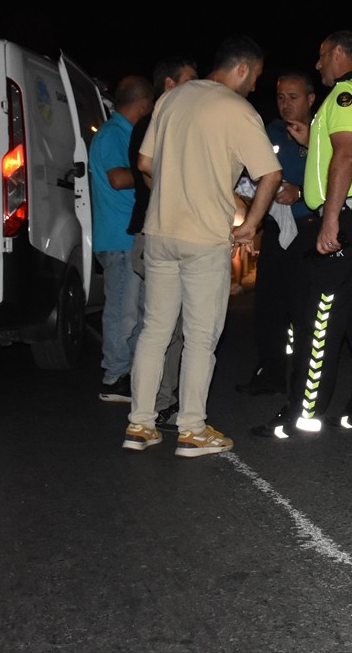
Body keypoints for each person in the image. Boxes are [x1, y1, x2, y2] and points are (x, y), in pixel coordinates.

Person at [123, 34, 281, 456]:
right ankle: (191, 429)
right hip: (203, 237)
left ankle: (139, 425)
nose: (254, 85)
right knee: (199, 337)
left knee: (154, 332)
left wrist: (173, 193)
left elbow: (144, 164)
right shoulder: (238, 110)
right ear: (243, 68)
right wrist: (249, 224)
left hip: (159, 232)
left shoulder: (171, 100)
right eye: (257, 76)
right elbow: (270, 174)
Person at [253, 30, 352, 439]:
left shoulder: (345, 96)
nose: (318, 66)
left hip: (350, 219)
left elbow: (346, 155)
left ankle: (302, 415)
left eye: (321, 57)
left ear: (337, 53)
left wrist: (330, 219)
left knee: (319, 318)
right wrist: (311, 137)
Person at [125, 55, 198, 426]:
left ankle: (152, 407)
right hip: (157, 234)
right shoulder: (157, 124)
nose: (196, 89)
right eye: (190, 80)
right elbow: (149, 171)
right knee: (167, 328)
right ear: (169, 85)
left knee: (167, 327)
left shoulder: (159, 123)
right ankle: (158, 404)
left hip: (161, 234)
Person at [236, 70, 318, 396]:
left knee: (305, 307)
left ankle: (303, 380)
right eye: (281, 97)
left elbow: (338, 177)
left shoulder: (323, 135)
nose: (286, 104)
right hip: (274, 229)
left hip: (309, 231)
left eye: (293, 97)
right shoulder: (270, 131)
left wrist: (300, 192)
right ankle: (270, 372)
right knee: (268, 305)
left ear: (311, 99)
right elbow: (250, 176)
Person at [92, 75, 155, 402]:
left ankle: (126, 373)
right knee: (122, 312)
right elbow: (117, 178)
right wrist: (156, 172)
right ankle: (114, 375)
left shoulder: (122, 133)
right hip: (118, 237)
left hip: (126, 236)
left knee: (137, 312)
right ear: (144, 105)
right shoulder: (113, 134)